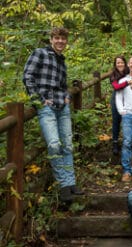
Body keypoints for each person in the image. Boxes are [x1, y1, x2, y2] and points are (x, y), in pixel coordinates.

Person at [23, 27, 84, 203]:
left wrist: (66, 96)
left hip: (62, 107)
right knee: (54, 144)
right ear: (51, 39)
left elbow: (62, 84)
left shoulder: (61, 60)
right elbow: (27, 77)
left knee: (67, 145)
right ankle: (64, 185)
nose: (60, 41)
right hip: (46, 107)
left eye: (63, 39)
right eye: (57, 38)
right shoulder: (40, 53)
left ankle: (71, 183)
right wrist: (39, 100)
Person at [109, 55, 132, 155]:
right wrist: (128, 82)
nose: (120, 64)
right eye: (118, 63)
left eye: (122, 62)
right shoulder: (113, 74)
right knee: (116, 121)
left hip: (130, 98)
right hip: (117, 98)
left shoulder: (129, 71)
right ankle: (115, 143)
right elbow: (116, 87)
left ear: (126, 63)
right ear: (115, 64)